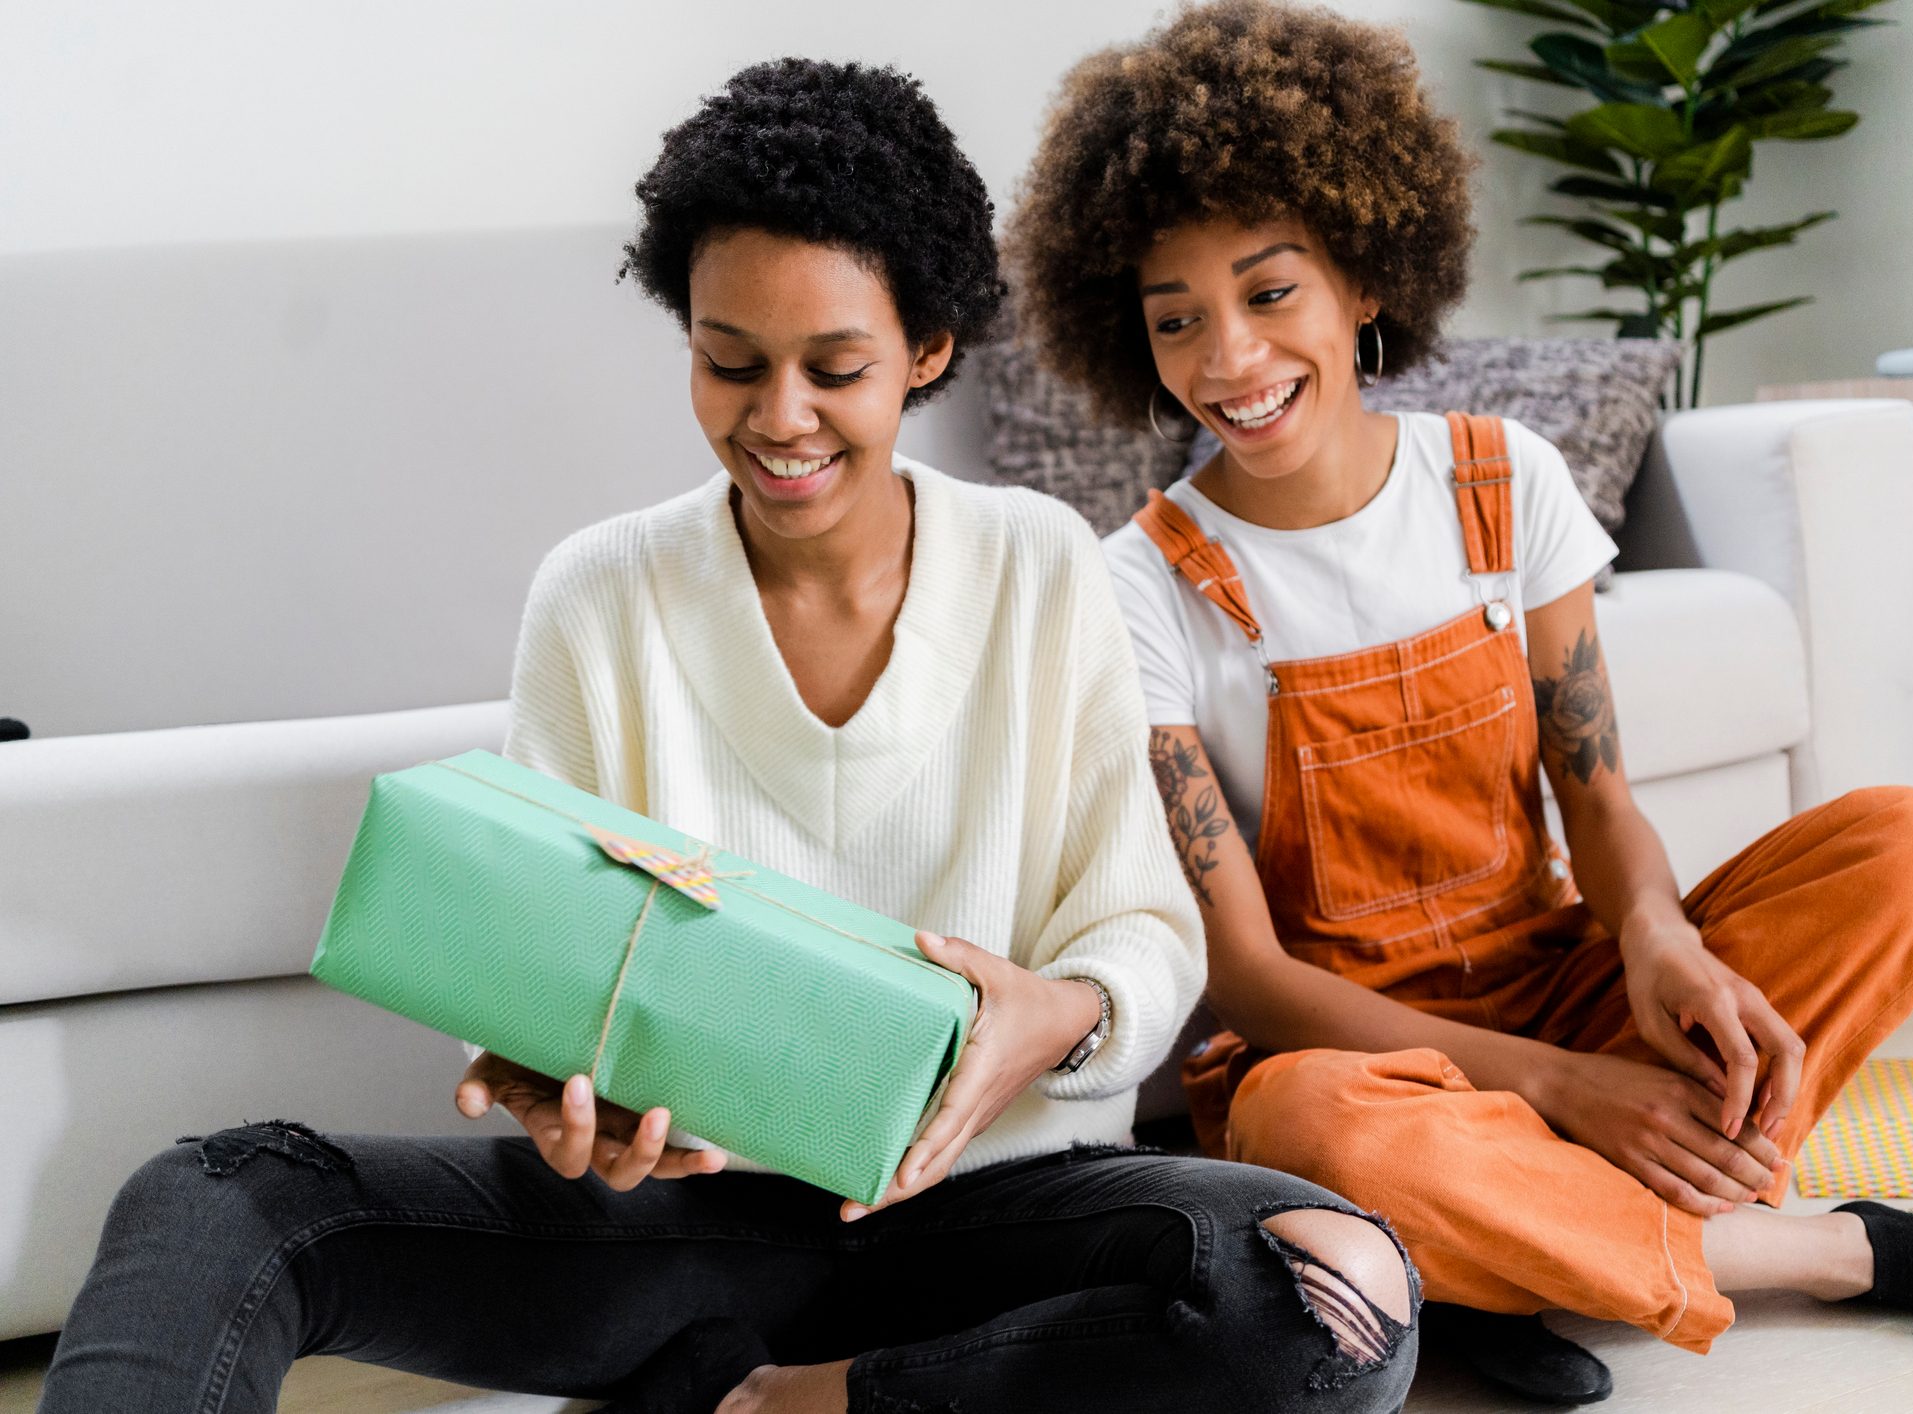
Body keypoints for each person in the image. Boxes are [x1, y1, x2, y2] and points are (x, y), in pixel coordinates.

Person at [39, 58, 1420, 1414]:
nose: (778, 419)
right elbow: (546, 955)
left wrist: (1046, 1016)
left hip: (995, 1217)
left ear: (927, 350)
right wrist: (555, 1087)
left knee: (1330, 1285)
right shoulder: (600, 592)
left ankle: (805, 1402)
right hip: (684, 1228)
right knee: (209, 1197)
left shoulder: (1039, 564)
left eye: (835, 367)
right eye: (728, 362)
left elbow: (1144, 926)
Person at [1006, 0, 1913, 1404]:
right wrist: (1552, 1088)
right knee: (1305, 1125)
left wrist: (1656, 941)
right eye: (1176, 319)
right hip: (1352, 1061)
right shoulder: (1138, 584)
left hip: (1559, 979)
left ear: (1363, 275)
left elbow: (1595, 797)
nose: (1227, 358)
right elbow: (1245, 978)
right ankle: (1835, 1249)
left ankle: (1500, 1251)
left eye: (1269, 290)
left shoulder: (1499, 479)